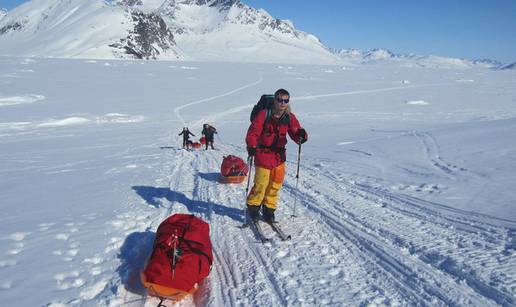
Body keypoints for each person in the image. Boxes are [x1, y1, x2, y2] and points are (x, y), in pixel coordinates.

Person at [245, 89, 307, 223]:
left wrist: (301, 135)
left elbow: (295, 132)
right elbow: (253, 132)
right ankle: (253, 207)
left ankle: (269, 210)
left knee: (276, 184)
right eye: (279, 100)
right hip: (263, 154)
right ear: (275, 100)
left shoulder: (289, 116)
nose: (282, 103)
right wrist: (251, 146)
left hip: (279, 156)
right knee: (261, 183)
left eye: (285, 100)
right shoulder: (263, 114)